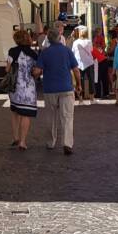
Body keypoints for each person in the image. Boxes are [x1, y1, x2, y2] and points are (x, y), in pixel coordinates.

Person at [34, 27, 81, 155]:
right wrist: (79, 85)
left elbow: (37, 71)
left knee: (51, 117)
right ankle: (67, 143)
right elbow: (76, 70)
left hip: (50, 89)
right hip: (66, 87)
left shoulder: (45, 52)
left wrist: (33, 74)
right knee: (67, 117)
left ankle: (51, 142)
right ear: (60, 38)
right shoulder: (67, 51)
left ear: (48, 39)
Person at [7, 29, 38, 150]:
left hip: (15, 87)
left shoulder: (12, 51)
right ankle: (23, 142)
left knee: (15, 111)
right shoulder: (34, 54)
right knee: (26, 114)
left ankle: (15, 137)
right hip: (29, 87)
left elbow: (7, 69)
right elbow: (36, 72)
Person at [72, 26, 96, 103]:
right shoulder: (89, 42)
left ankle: (80, 100)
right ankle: (92, 99)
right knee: (91, 80)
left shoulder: (75, 42)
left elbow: (73, 52)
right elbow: (91, 50)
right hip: (89, 62)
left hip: (78, 63)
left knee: (79, 82)